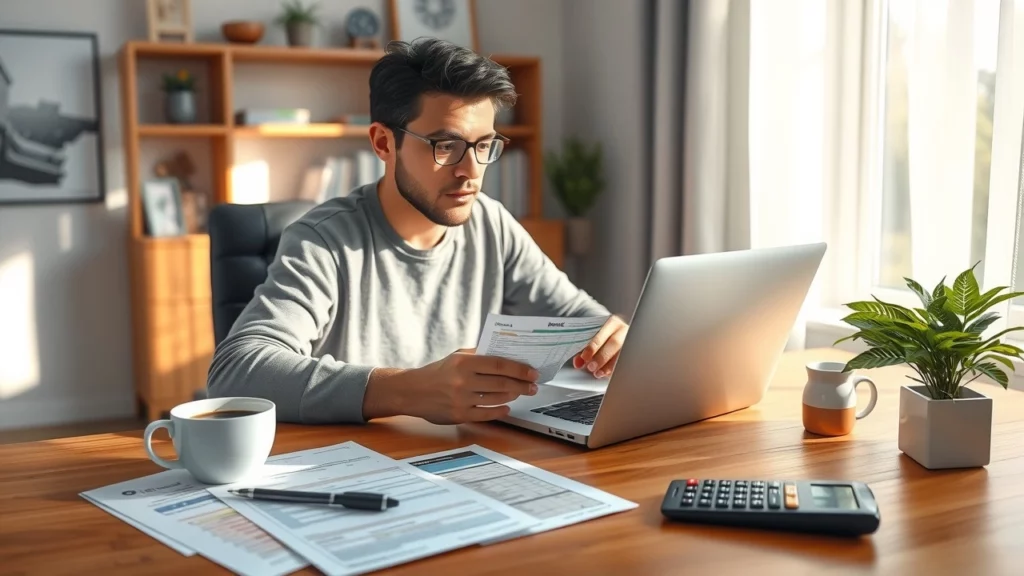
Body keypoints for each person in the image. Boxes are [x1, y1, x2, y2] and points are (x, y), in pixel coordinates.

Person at [207, 38, 628, 425]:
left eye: (484, 146)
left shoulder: (491, 222)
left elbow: (582, 323)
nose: (471, 172)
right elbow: (235, 371)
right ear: (383, 143)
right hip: (359, 467)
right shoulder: (322, 241)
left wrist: (613, 340)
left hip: (466, 460)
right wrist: (408, 391)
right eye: (445, 146)